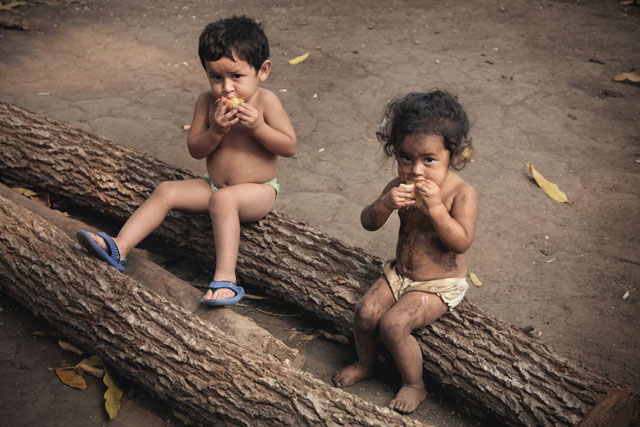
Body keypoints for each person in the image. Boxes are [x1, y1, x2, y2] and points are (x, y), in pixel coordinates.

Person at [76, 16, 296, 306]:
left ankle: (226, 278)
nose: (226, 88)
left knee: (224, 201)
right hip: (213, 186)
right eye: (216, 77)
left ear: (262, 70)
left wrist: (258, 127)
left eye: (236, 77)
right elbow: (196, 149)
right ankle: (120, 247)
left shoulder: (266, 102)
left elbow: (289, 146)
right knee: (167, 190)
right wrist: (216, 130)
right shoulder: (206, 102)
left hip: (259, 191)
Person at [332, 90, 478, 414]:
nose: (416, 170)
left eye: (429, 159)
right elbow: (368, 223)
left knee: (394, 325)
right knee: (366, 312)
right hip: (400, 273)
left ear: (452, 157)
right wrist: (385, 204)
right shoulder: (398, 185)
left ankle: (415, 384)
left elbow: (462, 241)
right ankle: (365, 364)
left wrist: (438, 209)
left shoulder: (461, 194)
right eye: (406, 158)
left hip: (438, 284)